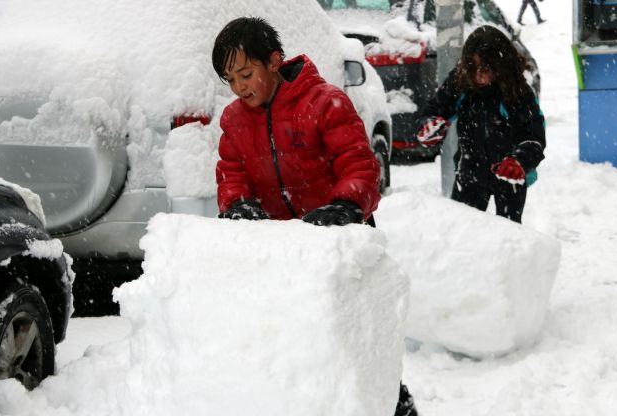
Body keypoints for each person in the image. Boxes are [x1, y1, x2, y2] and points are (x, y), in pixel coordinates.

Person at [211, 17, 418, 416]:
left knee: (355, 342)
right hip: (285, 251)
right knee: (299, 344)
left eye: (245, 73)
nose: (239, 87)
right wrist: (236, 204)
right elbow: (231, 172)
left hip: (340, 243)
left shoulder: (325, 102)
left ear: (274, 61)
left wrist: (346, 205)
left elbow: (359, 164)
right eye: (229, 79)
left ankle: (393, 404)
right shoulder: (235, 120)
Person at [416, 25, 545, 224]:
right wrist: (428, 126)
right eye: (472, 68)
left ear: (500, 65)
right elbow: (434, 110)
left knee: (509, 238)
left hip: (509, 176)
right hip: (470, 172)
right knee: (462, 232)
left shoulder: (519, 91)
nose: (478, 76)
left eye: (485, 69)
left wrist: (519, 161)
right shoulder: (461, 81)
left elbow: (533, 137)